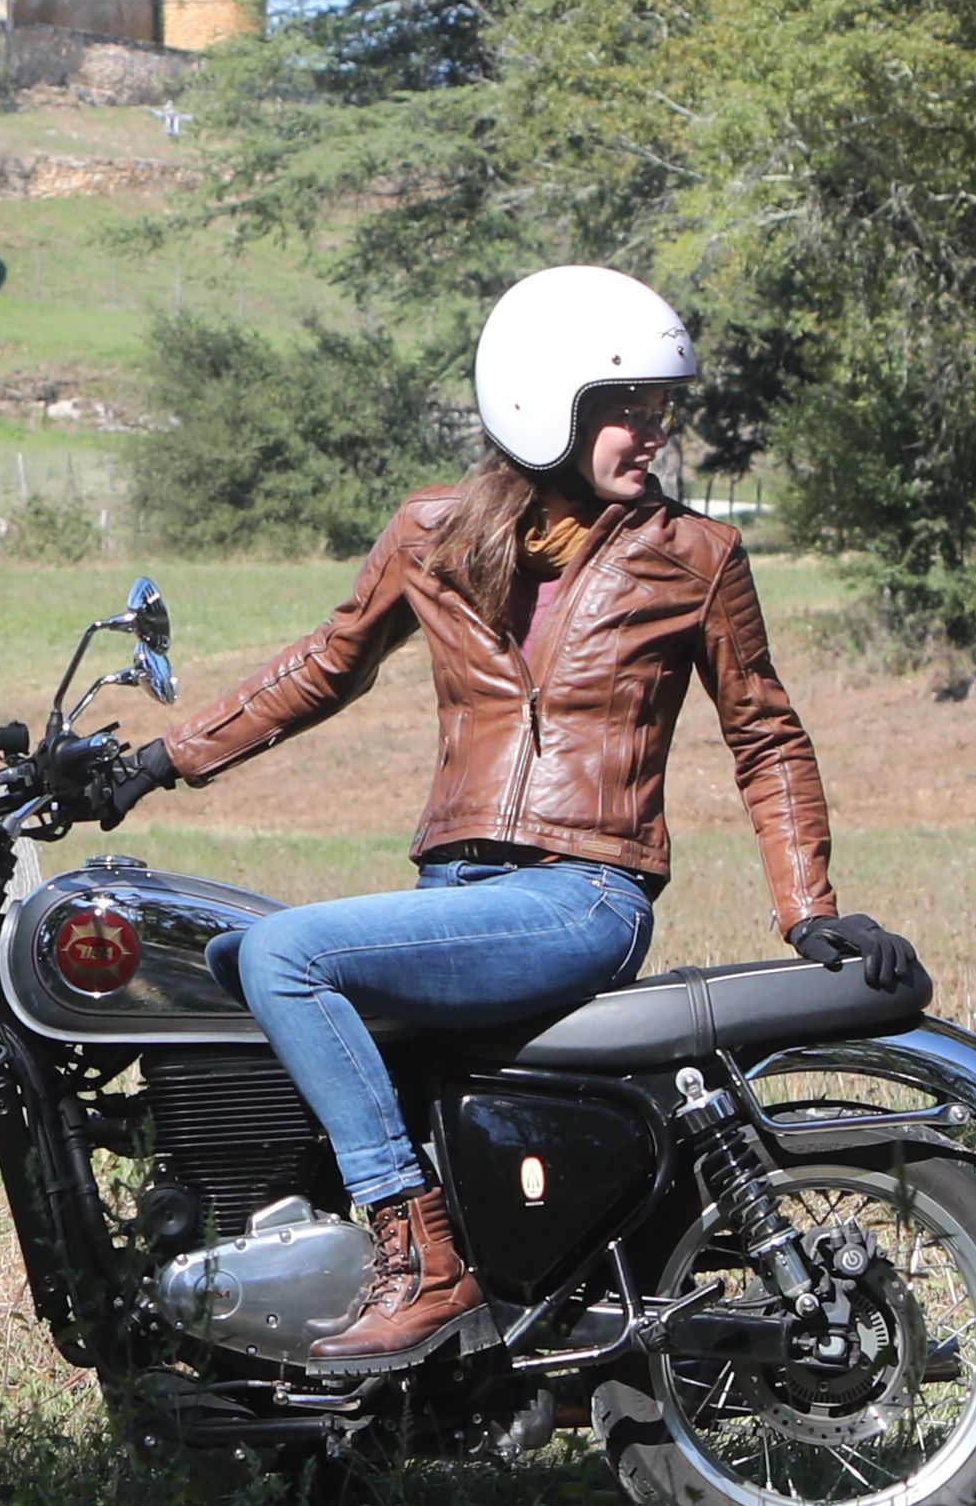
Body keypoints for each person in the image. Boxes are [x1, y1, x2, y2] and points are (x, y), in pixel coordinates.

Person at [64, 266, 910, 1367]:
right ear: (542, 403)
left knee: (284, 953)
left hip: (581, 894)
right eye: (626, 410)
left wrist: (809, 907)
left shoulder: (695, 556)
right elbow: (328, 665)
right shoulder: (433, 536)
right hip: (455, 894)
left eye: (659, 410)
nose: (651, 434)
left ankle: (420, 1255)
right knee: (217, 961)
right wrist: (159, 759)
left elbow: (764, 731)